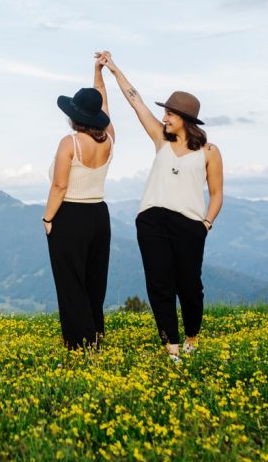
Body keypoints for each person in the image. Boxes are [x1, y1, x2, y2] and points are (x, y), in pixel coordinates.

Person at [96, 50, 224, 363]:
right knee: (159, 285)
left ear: (186, 120)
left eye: (170, 114)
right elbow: (135, 100)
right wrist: (113, 69)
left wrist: (205, 224)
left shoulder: (209, 151)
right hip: (152, 221)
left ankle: (192, 336)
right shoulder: (160, 139)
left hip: (190, 225)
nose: (164, 118)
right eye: (165, 113)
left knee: (190, 288)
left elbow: (218, 194)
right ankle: (172, 348)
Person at [42, 60, 116, 349]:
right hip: (99, 214)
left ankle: (81, 341)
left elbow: (59, 186)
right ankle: (96, 332)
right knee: (95, 278)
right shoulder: (109, 138)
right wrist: (99, 75)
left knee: (70, 279)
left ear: (73, 116)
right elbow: (104, 105)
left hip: (70, 214)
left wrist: (48, 219)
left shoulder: (69, 143)